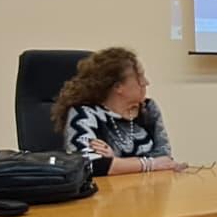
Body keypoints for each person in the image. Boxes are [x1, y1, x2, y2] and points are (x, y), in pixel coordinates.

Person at [51, 47, 184, 175]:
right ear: (118, 87)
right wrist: (149, 164)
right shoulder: (83, 114)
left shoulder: (148, 109)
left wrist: (115, 161)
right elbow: (88, 165)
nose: (146, 82)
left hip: (148, 187)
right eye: (140, 77)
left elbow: (164, 160)